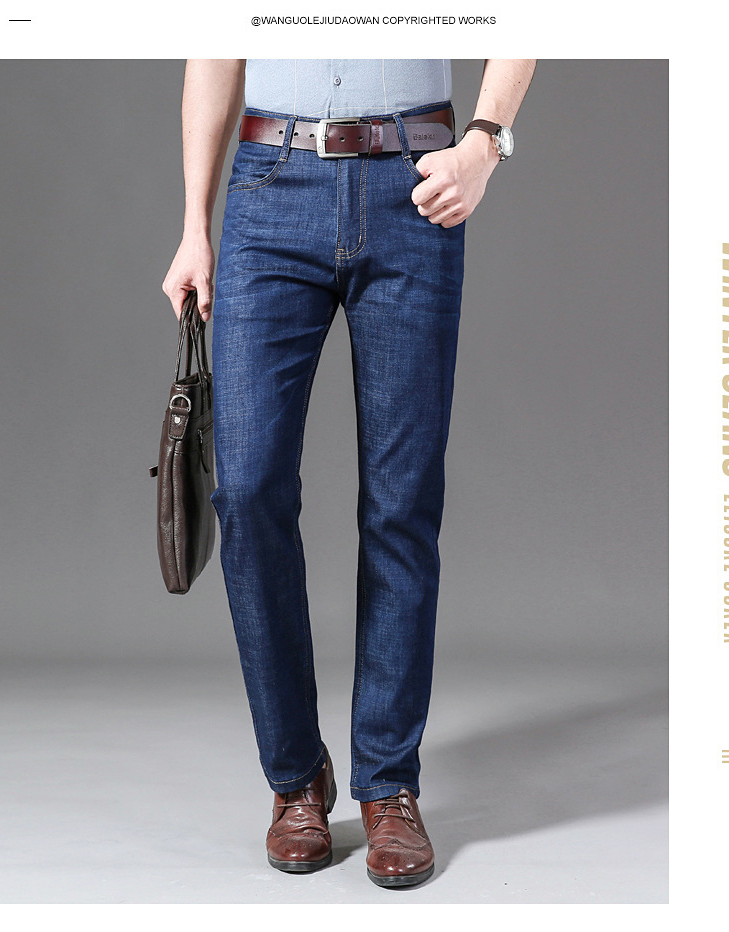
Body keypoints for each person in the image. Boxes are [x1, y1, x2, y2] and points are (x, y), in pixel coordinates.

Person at [163, 58, 536, 888]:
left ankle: (389, 783)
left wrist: (485, 144)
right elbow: (214, 43)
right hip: (271, 184)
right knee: (247, 488)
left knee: (402, 504)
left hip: (414, 185)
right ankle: (295, 775)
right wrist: (194, 222)